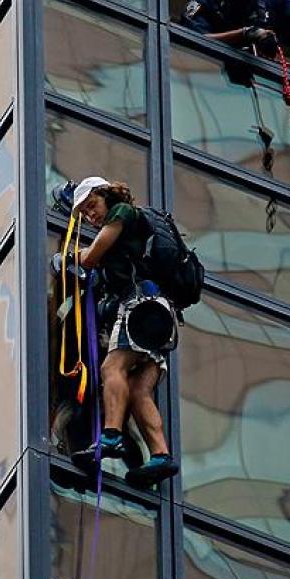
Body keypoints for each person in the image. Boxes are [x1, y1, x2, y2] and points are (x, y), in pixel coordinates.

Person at [67, 177, 180, 488]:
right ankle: (160, 455)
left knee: (111, 368)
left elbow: (91, 257)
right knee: (139, 389)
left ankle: (112, 436)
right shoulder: (128, 233)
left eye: (92, 206)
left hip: (140, 305)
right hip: (158, 317)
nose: (92, 216)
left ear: (106, 195)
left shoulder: (123, 214)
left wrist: (67, 258)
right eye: (86, 214)